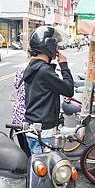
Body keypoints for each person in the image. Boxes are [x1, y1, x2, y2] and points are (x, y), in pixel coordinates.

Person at [23, 26, 74, 154]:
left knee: (38, 167)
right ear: (49, 46)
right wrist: (64, 65)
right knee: (46, 170)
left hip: (34, 126)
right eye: (56, 46)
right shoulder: (44, 71)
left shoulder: (34, 66)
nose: (57, 49)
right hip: (44, 130)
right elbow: (68, 90)